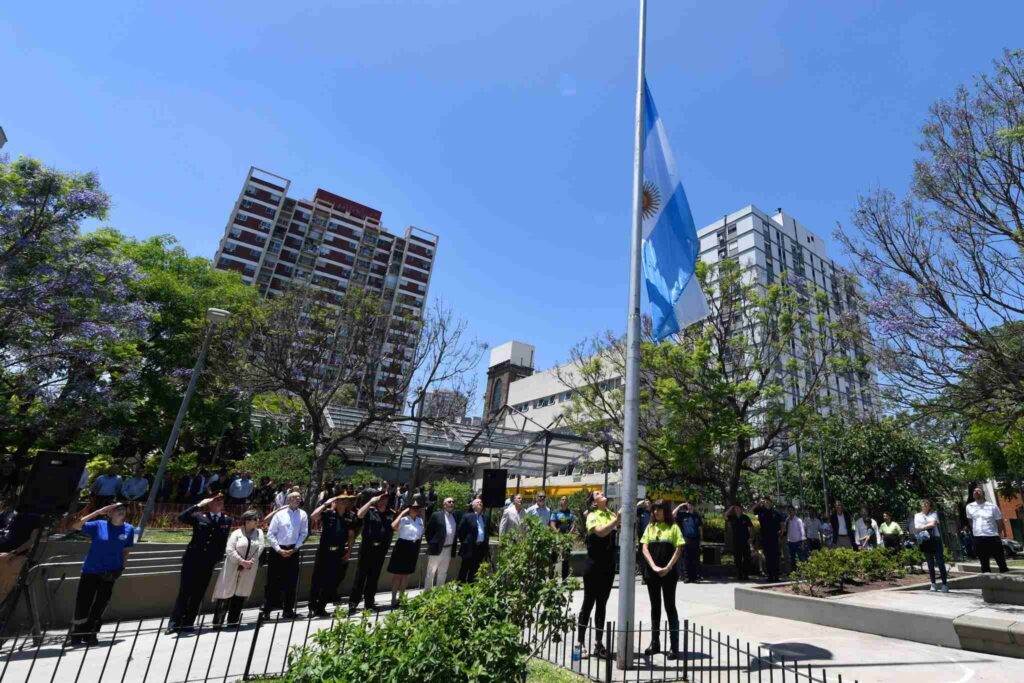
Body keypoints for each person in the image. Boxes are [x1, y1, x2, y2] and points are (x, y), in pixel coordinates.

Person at [69, 503, 134, 645]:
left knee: (100, 604)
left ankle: (91, 634)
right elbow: (75, 526)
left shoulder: (129, 529)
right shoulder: (99, 524)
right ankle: (76, 635)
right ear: (109, 513)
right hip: (91, 570)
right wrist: (97, 511)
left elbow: (125, 551)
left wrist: (122, 568)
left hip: (110, 573)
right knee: (83, 603)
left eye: (123, 508)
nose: (121, 510)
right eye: (117, 508)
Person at [169, 493, 233, 633]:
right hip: (192, 560)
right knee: (184, 591)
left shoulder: (227, 520)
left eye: (221, 500)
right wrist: (198, 505)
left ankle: (188, 622)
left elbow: (222, 542)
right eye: (216, 500)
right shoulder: (199, 516)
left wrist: (217, 558)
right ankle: (174, 622)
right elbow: (181, 517)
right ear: (209, 502)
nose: (219, 502)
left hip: (208, 562)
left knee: (198, 593)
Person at [577, 490, 619, 659]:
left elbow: (615, 530)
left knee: (602, 604)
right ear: (594, 502)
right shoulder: (592, 515)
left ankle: (598, 643)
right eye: (597, 494)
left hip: (608, 565)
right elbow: (600, 532)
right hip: (593, 565)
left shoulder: (609, 513)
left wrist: (618, 522)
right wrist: (617, 521)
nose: (602, 493)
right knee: (588, 603)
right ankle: (579, 643)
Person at [640, 500, 684, 659]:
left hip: (669, 574)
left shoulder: (674, 528)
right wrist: (653, 566)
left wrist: (668, 568)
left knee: (670, 606)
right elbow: (644, 548)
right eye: (654, 510)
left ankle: (674, 646)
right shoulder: (650, 527)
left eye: (659, 509)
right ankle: (655, 642)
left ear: (666, 511)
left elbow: (679, 548)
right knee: (655, 607)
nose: (656, 512)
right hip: (652, 574)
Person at [211, 510, 264, 627]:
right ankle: (218, 622)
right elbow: (229, 549)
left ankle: (233, 621)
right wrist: (241, 561)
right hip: (233, 566)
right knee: (225, 592)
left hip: (249, 567)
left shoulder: (259, 533)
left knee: (240, 593)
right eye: (255, 519)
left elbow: (260, 548)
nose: (257, 521)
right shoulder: (236, 533)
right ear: (247, 521)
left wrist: (249, 562)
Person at [308, 493, 357, 617]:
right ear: (336, 501)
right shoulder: (328, 513)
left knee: (331, 580)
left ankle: (321, 607)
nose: (345, 502)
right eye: (342, 500)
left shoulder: (350, 516)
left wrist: (349, 551)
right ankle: (312, 606)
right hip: (324, 551)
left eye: (347, 500)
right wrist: (326, 503)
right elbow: (313, 516)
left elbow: (351, 535)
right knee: (317, 580)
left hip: (338, 552)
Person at [263, 491, 309, 619]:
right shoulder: (280, 514)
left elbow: (304, 533)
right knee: (273, 581)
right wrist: (279, 550)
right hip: (277, 551)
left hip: (293, 551)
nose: (298, 499)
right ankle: (267, 610)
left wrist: (295, 548)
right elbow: (270, 534)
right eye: (294, 497)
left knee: (291, 581)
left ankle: (288, 610)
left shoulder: (303, 514)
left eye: (299, 497)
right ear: (288, 500)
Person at [349, 490, 394, 613]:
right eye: (381, 499)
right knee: (360, 577)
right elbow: (359, 515)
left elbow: (392, 530)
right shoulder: (369, 511)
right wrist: (370, 502)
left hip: (380, 550)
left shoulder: (390, 514)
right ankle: (353, 602)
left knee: (374, 578)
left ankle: (369, 602)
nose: (384, 501)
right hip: (367, 549)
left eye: (386, 499)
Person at [388, 495, 426, 607]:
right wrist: (402, 513)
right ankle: (393, 598)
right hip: (402, 547)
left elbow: (421, 533)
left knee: (406, 575)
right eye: (413, 507)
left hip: (413, 548)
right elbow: (393, 526)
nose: (416, 509)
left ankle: (401, 598)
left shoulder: (420, 520)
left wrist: (422, 511)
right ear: (409, 509)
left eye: (417, 508)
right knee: (398, 575)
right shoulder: (404, 519)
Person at [0, 506, 42, 605]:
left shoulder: (35, 518)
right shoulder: (6, 514)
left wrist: (12, 553)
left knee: (4, 588)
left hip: (15, 556)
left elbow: (32, 541)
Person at [966, 487, 1009, 573]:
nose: (976, 492)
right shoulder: (969, 507)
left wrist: (998, 533)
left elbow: (999, 522)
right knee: (984, 563)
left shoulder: (992, 506)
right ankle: (988, 581)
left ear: (983, 494)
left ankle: (1007, 580)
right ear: (973, 495)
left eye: (979, 491)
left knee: (1001, 561)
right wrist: (975, 532)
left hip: (992, 536)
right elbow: (971, 521)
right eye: (974, 491)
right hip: (979, 538)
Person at [914, 499, 948, 593]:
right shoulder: (917, 515)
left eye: (926, 504)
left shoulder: (934, 514)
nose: (924, 506)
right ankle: (933, 584)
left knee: (940, 562)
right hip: (925, 540)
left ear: (929, 506)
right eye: (922, 504)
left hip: (935, 539)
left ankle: (944, 584)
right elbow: (917, 527)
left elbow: (933, 524)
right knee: (930, 563)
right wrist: (927, 525)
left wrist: (923, 527)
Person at [424, 497, 458, 589]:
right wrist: (432, 543)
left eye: (453, 502)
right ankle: (427, 594)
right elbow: (428, 532)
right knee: (431, 572)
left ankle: (439, 594)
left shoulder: (455, 516)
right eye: (449, 501)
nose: (451, 503)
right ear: (444, 504)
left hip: (449, 549)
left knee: (443, 573)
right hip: (436, 548)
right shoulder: (436, 515)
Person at [456, 498, 490, 582]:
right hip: (469, 548)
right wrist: (466, 542)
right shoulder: (467, 516)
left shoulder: (485, 517)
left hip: (480, 548)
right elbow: (460, 532)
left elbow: (487, 531)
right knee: (464, 569)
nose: (480, 503)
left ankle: (472, 588)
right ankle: (460, 588)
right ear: (473, 506)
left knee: (475, 570)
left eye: (481, 502)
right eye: (478, 502)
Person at [753, 498, 784, 582]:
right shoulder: (761, 511)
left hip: (774, 537)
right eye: (765, 501)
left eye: (768, 501)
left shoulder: (776, 512)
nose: (766, 502)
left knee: (776, 557)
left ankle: (776, 576)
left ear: (771, 503)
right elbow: (753, 509)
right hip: (765, 537)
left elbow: (781, 523)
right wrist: (759, 502)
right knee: (768, 557)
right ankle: (770, 576)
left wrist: (781, 533)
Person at [673, 501, 702, 583]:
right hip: (686, 539)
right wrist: (680, 505)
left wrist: (701, 540)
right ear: (687, 506)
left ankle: (695, 577)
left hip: (696, 539)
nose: (690, 506)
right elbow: (672, 514)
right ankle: (686, 577)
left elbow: (700, 528)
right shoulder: (683, 514)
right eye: (689, 505)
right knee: (686, 558)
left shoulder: (697, 516)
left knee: (695, 559)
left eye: (692, 505)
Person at [550, 496, 576, 580]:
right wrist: (557, 533)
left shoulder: (571, 513)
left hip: (567, 539)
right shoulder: (555, 512)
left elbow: (573, 525)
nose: (564, 501)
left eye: (566, 500)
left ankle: (564, 580)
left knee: (566, 560)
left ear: (568, 502)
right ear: (560, 501)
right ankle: (551, 579)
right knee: (553, 558)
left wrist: (569, 534)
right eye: (562, 499)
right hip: (557, 538)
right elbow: (552, 524)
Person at [724, 505, 753, 580]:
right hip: (736, 541)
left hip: (745, 540)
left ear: (741, 509)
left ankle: (746, 574)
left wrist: (751, 537)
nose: (737, 510)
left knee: (747, 558)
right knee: (738, 558)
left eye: (738, 508)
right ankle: (739, 574)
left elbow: (750, 528)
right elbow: (724, 516)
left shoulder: (745, 517)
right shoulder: (732, 517)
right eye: (735, 509)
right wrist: (730, 508)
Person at [784, 506, 807, 572]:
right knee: (792, 558)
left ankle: (803, 572)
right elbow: (786, 530)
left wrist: (803, 541)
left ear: (794, 511)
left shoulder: (798, 520)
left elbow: (802, 530)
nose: (790, 512)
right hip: (790, 542)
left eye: (791, 510)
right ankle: (794, 573)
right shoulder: (787, 520)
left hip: (798, 542)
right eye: (789, 511)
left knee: (801, 558)